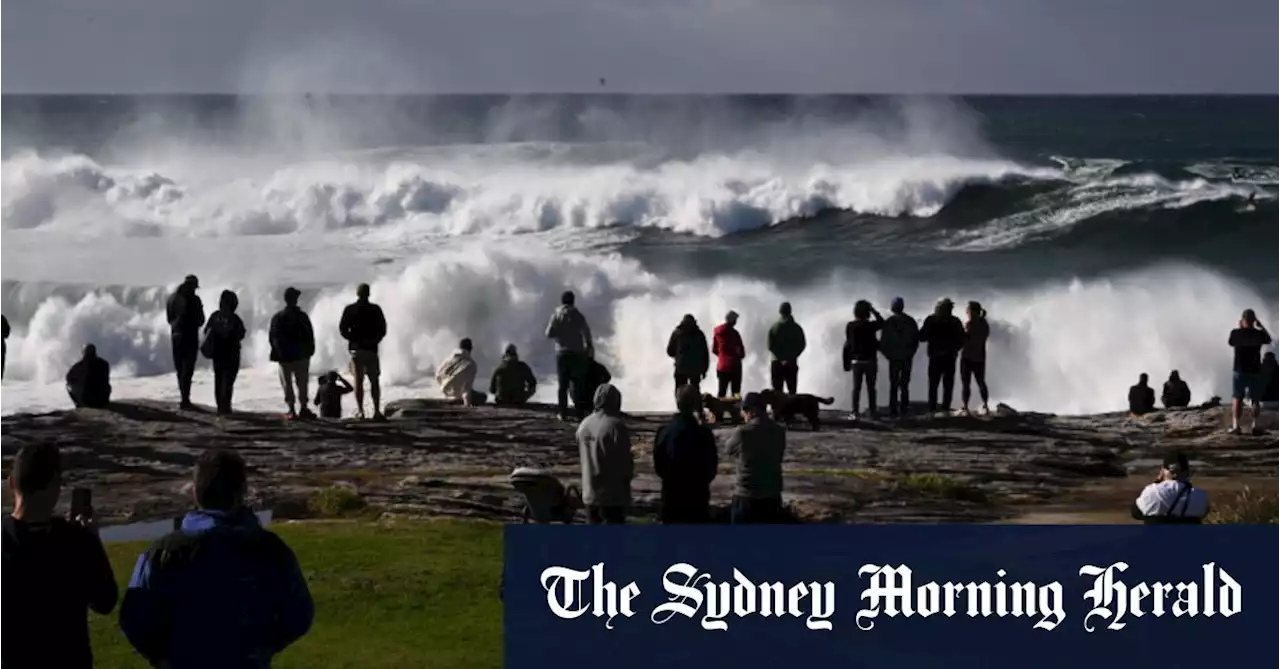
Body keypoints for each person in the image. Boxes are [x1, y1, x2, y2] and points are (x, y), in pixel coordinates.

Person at [119, 450, 314, 668]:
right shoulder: (271, 550)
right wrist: (263, 647)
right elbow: (299, 615)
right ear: (242, 491)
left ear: (195, 493)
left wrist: (162, 656)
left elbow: (134, 618)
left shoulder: (163, 553)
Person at [0, 444, 118, 669]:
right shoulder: (77, 542)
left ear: (12, 484)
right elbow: (105, 601)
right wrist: (93, 543)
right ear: (56, 487)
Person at [652, 385, 718, 523]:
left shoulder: (664, 431)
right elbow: (712, 466)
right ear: (695, 404)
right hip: (697, 495)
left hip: (672, 494)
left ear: (677, 402)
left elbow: (659, 465)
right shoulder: (704, 433)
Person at [575, 383, 632, 524]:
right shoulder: (616, 426)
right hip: (612, 496)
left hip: (589, 493)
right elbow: (625, 462)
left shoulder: (583, 425)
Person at [726, 392, 787, 524]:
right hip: (772, 495)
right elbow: (779, 455)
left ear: (752, 411)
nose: (743, 414)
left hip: (747, 496)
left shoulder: (742, 432)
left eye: (744, 410)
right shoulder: (779, 431)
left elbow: (728, 450)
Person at [339, 283, 388, 421]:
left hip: (356, 350)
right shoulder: (375, 309)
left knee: (358, 381)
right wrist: (375, 340)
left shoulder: (350, 309)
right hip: (371, 349)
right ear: (369, 293)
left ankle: (361, 411)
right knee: (374, 381)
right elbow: (383, 329)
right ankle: (377, 411)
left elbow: (342, 329)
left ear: (357, 294)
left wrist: (352, 339)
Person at [269, 286, 316, 420]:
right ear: (295, 300)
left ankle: (291, 409)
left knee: (287, 383)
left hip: (284, 356)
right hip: (301, 355)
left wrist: (277, 352)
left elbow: (272, 337)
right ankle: (303, 408)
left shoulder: (278, 317)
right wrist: (310, 350)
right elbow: (309, 335)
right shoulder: (302, 316)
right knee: (302, 383)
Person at [545, 290, 594, 421]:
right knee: (578, 384)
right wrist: (589, 346)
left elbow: (549, 334)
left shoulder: (556, 315)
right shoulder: (577, 315)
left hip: (562, 353)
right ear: (573, 301)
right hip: (577, 353)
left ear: (562, 301)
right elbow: (586, 332)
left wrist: (560, 333)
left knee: (563, 385)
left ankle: (563, 413)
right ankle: (579, 413)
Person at [201, 289, 247, 416]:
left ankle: (221, 407)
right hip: (231, 354)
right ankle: (225, 406)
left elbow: (206, 331)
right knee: (228, 382)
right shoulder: (235, 318)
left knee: (219, 380)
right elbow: (241, 334)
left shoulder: (215, 316)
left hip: (219, 355)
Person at [1130, 452, 1209, 524]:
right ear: (1187, 472)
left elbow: (1135, 513)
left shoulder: (1152, 491)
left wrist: (1157, 482)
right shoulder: (1200, 495)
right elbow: (1203, 513)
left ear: (1163, 471)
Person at [919, 297, 966, 415]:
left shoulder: (931, 320)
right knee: (947, 385)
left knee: (934, 384)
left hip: (936, 356)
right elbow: (962, 340)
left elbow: (922, 337)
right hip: (949, 357)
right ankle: (945, 408)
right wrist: (954, 350)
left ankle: (933, 408)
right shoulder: (955, 321)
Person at [1228, 309, 1271, 435]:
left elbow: (1231, 342)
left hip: (1239, 370)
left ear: (1242, 320)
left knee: (1237, 399)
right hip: (1255, 371)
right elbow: (1268, 339)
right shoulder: (1258, 334)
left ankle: (1236, 426)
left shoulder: (1236, 333)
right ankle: (1255, 425)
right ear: (1254, 321)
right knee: (1255, 400)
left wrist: (1240, 327)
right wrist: (1261, 326)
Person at [166, 274, 205, 409]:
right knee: (188, 369)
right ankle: (185, 399)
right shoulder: (194, 300)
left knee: (179, 368)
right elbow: (201, 320)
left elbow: (169, 319)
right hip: (189, 337)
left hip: (175, 336)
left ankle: (184, 397)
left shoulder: (171, 299)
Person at [842, 300, 883, 420]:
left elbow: (848, 344)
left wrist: (846, 362)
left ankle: (855, 412)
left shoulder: (850, 326)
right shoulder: (871, 326)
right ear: (867, 313)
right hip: (870, 360)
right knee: (871, 388)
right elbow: (882, 322)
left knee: (856, 388)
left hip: (856, 361)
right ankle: (873, 412)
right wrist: (874, 311)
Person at [880, 297, 920, 417]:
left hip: (894, 358)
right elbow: (916, 340)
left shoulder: (889, 322)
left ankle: (893, 408)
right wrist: (911, 353)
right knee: (904, 384)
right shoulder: (911, 321)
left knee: (893, 384)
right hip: (907, 357)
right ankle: (904, 407)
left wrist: (887, 355)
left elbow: (884, 342)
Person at [959, 301, 992, 416]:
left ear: (973, 311)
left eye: (968, 310)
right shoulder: (984, 324)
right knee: (981, 382)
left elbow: (965, 339)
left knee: (966, 383)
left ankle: (966, 407)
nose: (967, 312)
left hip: (968, 357)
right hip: (980, 357)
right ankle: (985, 405)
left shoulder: (970, 324)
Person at [767, 302, 806, 394]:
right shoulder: (797, 328)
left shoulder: (774, 327)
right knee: (792, 391)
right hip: (791, 363)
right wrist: (790, 358)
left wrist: (781, 359)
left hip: (776, 362)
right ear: (790, 312)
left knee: (777, 391)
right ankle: (792, 408)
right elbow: (802, 345)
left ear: (780, 312)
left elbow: (770, 345)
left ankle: (777, 408)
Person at [667, 314, 710, 393]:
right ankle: (695, 403)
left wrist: (678, 356)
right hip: (696, 368)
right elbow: (705, 353)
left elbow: (669, 351)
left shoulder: (677, 333)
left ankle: (681, 404)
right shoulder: (699, 334)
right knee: (695, 389)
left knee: (680, 389)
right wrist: (704, 370)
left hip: (681, 367)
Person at [436, 338, 485, 407]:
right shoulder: (470, 364)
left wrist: (444, 388)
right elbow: (467, 389)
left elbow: (438, 375)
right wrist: (467, 405)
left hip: (445, 392)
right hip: (459, 396)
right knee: (483, 396)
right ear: (470, 348)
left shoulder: (449, 359)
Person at [65, 344, 111, 409]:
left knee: (68, 385)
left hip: (87, 401)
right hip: (102, 400)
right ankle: (104, 401)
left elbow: (68, 378)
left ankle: (79, 404)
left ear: (83, 353)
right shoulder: (104, 364)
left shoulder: (78, 366)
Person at [712, 310, 746, 398]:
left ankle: (718, 410)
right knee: (736, 392)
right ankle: (736, 410)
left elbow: (714, 349)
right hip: (735, 366)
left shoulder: (717, 332)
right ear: (733, 321)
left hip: (722, 366)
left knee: (721, 391)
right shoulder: (735, 334)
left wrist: (722, 357)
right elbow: (742, 352)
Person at [0, 310, 9, 382]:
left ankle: (0, 377)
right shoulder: (3, 319)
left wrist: (2, 335)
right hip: (1, 343)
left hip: (1, 344)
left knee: (1, 361)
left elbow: (7, 331)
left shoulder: (3, 319)